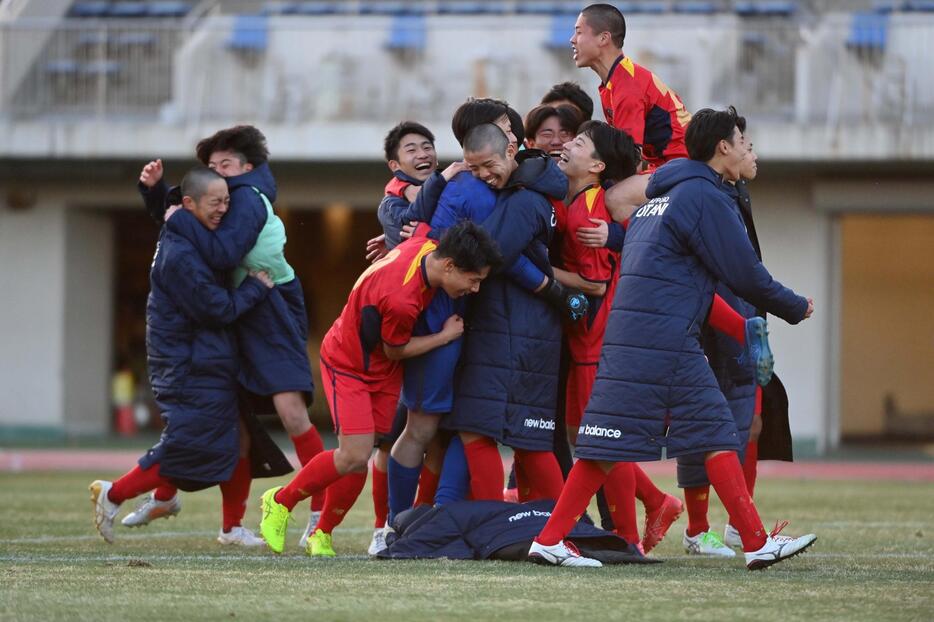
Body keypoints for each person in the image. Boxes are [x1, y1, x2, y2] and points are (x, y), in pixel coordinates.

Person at [529, 107, 818, 570]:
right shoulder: (705, 197)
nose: (747, 148)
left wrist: (741, 328)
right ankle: (756, 542)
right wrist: (793, 305)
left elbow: (686, 283)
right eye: (743, 141)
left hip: (634, 335)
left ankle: (549, 539)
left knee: (607, 446)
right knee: (719, 431)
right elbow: (743, 272)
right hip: (665, 340)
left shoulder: (664, 196)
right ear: (723, 147)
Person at [258, 221, 503, 557]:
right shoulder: (402, 299)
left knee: (360, 459)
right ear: (449, 265)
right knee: (355, 454)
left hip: (381, 371)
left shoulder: (427, 247)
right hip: (349, 364)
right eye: (473, 280)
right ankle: (280, 501)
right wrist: (444, 337)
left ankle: (322, 533)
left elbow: (419, 232)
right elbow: (395, 350)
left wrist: (446, 175)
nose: (474, 289)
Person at [135, 127, 326, 549]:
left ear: (248, 168)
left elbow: (218, 251)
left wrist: (176, 214)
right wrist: (158, 195)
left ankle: (319, 513)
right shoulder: (228, 197)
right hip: (241, 306)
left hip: (269, 307)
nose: (218, 173)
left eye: (226, 165)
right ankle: (209, 517)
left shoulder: (248, 199)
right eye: (213, 166)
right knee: (229, 424)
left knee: (292, 414)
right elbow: (195, 225)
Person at [89, 167, 276, 546]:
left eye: (227, 201)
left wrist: (154, 190)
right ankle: (116, 493)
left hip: (210, 359)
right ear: (189, 205)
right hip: (187, 364)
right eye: (216, 202)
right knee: (190, 444)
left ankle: (231, 528)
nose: (224, 209)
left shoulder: (192, 235)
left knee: (240, 439)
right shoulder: (180, 254)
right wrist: (256, 288)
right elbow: (217, 309)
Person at [571, 3, 691, 170]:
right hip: (663, 166)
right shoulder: (616, 79)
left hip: (679, 166)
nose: (572, 40)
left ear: (604, 38)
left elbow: (630, 160)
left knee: (613, 196)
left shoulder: (627, 85)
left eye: (579, 32)